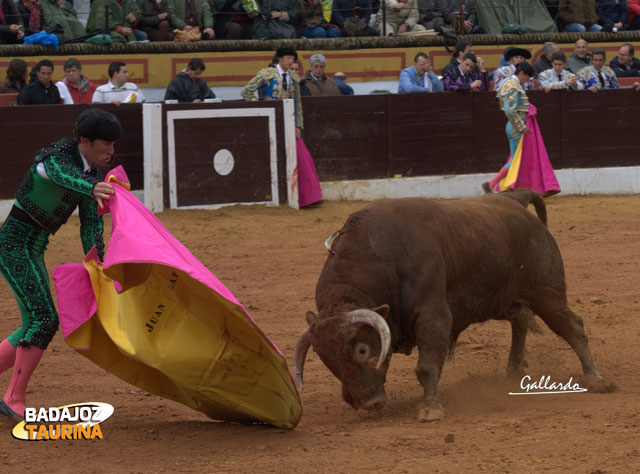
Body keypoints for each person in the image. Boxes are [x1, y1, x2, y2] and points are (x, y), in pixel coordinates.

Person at [0, 109, 121, 421]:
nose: (110, 152)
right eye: (104, 145)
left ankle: (13, 396)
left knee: (35, 321)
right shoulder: (57, 157)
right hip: (13, 244)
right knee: (43, 320)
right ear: (84, 141)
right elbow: (58, 174)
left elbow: (89, 226)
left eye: (112, 145)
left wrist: (99, 263)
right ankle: (13, 399)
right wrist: (91, 188)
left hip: (33, 248)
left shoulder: (89, 176)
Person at [482, 62, 560, 196]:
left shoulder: (509, 83)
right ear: (522, 73)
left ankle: (499, 185)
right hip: (516, 127)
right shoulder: (513, 85)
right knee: (519, 160)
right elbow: (510, 110)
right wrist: (522, 126)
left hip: (511, 126)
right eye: (527, 77)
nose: (527, 80)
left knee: (516, 159)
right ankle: (493, 183)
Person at [241, 47, 303, 138]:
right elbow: (246, 91)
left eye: (293, 59)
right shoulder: (267, 73)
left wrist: (298, 125)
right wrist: (260, 107)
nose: (291, 61)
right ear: (280, 58)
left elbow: (297, 103)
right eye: (288, 58)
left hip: (289, 119)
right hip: (269, 118)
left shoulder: (294, 77)